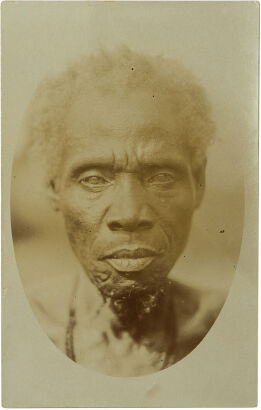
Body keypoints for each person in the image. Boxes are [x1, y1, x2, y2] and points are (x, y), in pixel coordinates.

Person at [23, 47, 224, 376]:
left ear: (198, 182)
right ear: (53, 186)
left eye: (161, 177)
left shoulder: (244, 329)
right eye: (93, 179)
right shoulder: (13, 331)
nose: (130, 214)